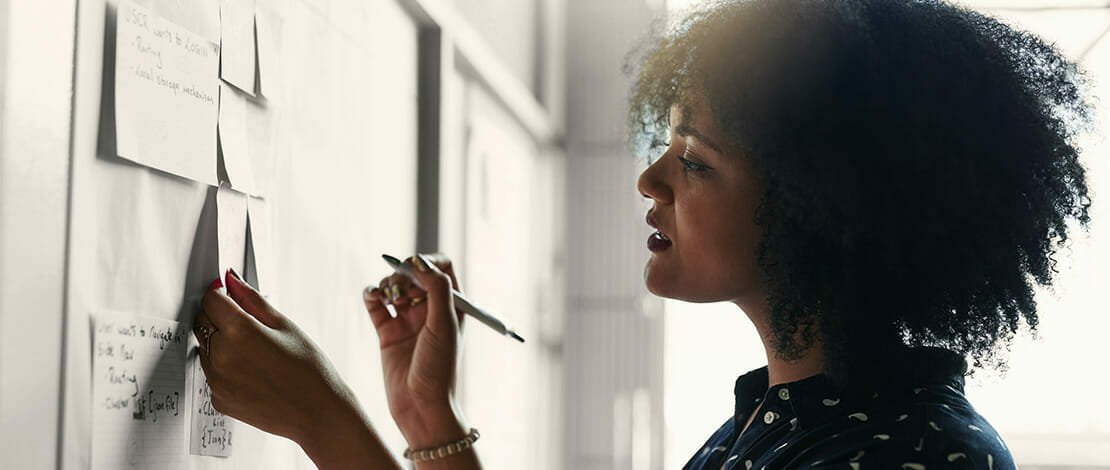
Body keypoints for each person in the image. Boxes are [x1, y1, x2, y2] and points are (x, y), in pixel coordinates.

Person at [192, 0, 1096, 468]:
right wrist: (426, 418)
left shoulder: (905, 455)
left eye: (694, 162)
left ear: (826, 210)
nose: (649, 181)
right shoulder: (785, 420)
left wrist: (324, 423)